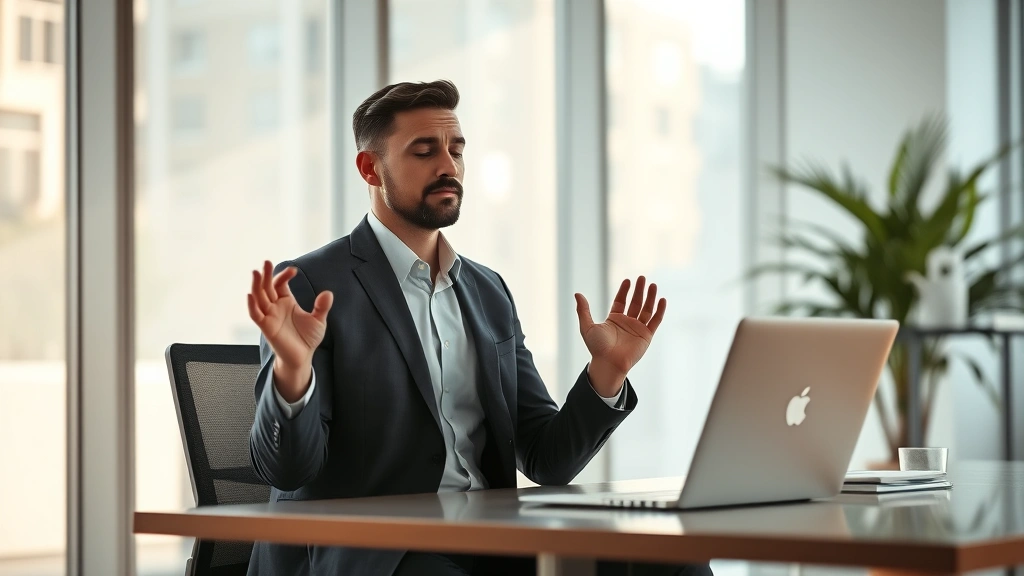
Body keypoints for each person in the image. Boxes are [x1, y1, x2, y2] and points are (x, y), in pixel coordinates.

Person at [245, 79, 712, 576]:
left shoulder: (488, 291)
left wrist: (607, 373)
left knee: (673, 561)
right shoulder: (313, 285)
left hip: (490, 539)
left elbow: (545, 460)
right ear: (370, 167)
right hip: (372, 552)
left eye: (457, 150)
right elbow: (289, 471)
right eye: (424, 151)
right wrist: (293, 374)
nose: (449, 166)